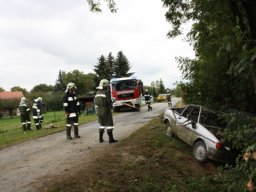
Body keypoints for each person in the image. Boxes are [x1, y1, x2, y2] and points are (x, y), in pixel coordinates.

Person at [94, 79, 118, 143]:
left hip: (99, 111)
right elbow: (108, 102)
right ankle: (111, 139)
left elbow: (96, 102)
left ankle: (100, 139)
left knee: (101, 124)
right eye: (107, 85)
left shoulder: (97, 93)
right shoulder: (106, 92)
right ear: (105, 85)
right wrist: (113, 101)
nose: (108, 87)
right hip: (106, 110)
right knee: (109, 124)